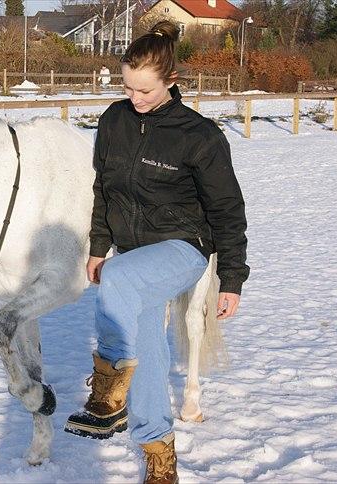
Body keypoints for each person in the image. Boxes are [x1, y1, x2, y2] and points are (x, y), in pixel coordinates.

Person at [64, 20, 249, 484]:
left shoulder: (199, 135)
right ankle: (159, 456)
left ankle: (106, 393)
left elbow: (227, 209)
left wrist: (231, 279)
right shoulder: (114, 121)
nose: (135, 99)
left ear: (171, 82)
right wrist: (99, 246)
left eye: (145, 91)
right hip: (132, 255)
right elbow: (103, 188)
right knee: (146, 351)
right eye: (128, 87)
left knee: (121, 279)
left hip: (183, 249)